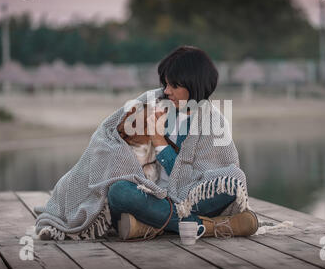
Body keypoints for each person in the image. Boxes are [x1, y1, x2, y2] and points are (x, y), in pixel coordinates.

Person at [108, 45, 258, 240]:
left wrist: (159, 141)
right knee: (118, 191)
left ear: (193, 85)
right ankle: (205, 226)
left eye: (174, 86)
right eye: (166, 84)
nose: (167, 91)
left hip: (189, 198)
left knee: (233, 178)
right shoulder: (154, 105)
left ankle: (153, 224)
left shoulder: (214, 121)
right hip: (151, 194)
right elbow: (110, 133)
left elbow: (194, 180)